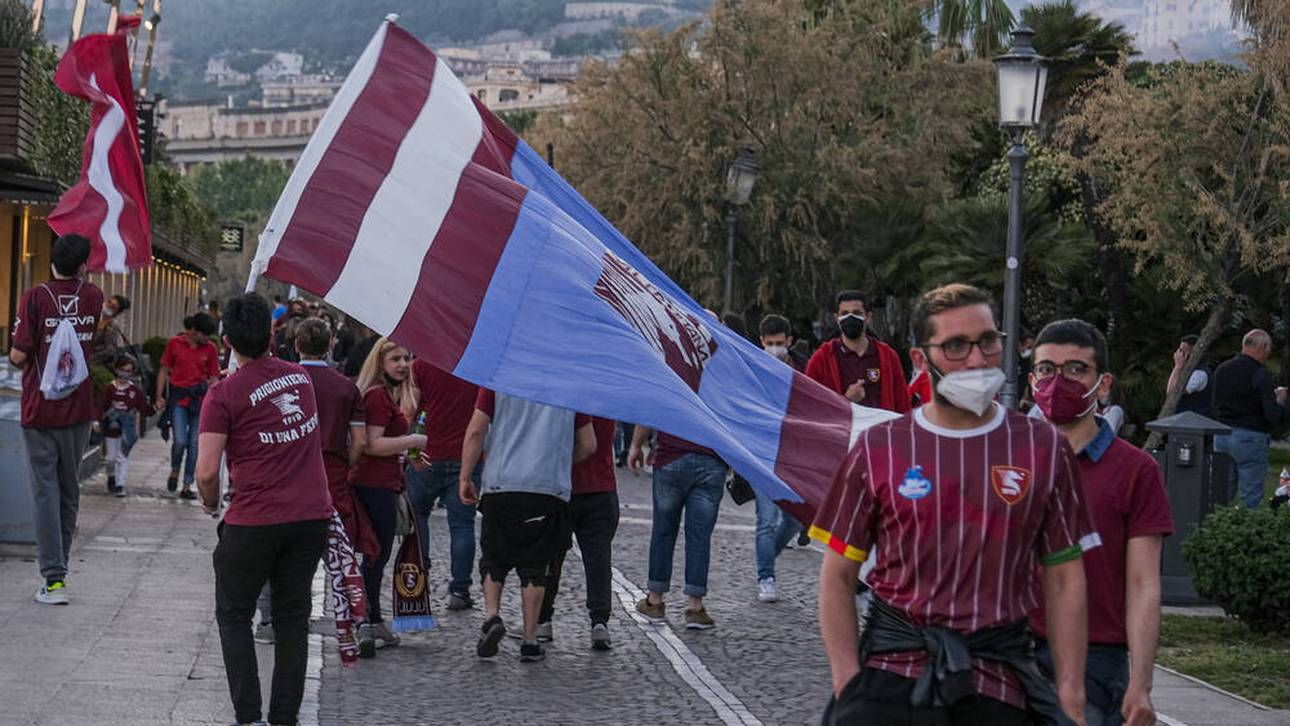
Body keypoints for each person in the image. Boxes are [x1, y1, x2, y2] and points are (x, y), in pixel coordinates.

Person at [812, 283, 1096, 726]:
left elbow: (1064, 578)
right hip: (891, 676)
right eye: (956, 346)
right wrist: (848, 682)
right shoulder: (879, 446)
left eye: (987, 341)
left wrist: (1071, 692)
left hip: (999, 682)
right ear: (921, 359)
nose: (977, 359)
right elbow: (837, 576)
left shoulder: (1043, 447)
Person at [194, 292, 333, 726]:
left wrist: (210, 503)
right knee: (293, 619)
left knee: (234, 614)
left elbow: (205, 473)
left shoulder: (223, 394)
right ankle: (284, 717)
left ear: (228, 339)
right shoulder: (300, 380)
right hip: (310, 516)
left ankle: (249, 715)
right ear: (272, 333)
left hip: (254, 518)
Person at [1027, 319, 1173, 726]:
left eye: (1076, 369)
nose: (1059, 381)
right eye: (1046, 369)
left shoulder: (1136, 470)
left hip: (1097, 662)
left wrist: (1141, 683)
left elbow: (1144, 583)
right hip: (1012, 653)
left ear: (1103, 384)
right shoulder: (1008, 461)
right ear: (1031, 379)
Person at [459, 389, 595, 662]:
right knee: (536, 564)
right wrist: (559, 460)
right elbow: (589, 444)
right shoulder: (569, 386)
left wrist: (465, 476)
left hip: (501, 483)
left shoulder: (497, 382)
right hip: (547, 487)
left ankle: (491, 616)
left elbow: (476, 431)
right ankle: (531, 640)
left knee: (494, 557)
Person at [9, 234, 104, 605]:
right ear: (82, 265)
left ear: (52, 260)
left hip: (39, 409)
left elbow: (18, 356)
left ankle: (54, 578)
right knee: (69, 489)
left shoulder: (35, 298)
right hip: (78, 408)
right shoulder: (93, 297)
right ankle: (60, 566)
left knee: (44, 491)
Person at [350, 338, 426, 655]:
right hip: (373, 485)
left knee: (376, 555)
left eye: (407, 358)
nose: (403, 365)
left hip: (384, 482)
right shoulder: (378, 397)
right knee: (374, 555)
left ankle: (372, 618)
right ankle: (366, 620)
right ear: (380, 362)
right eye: (395, 358)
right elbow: (372, 444)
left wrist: (410, 453)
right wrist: (414, 440)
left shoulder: (388, 395)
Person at [628, 425, 726, 630]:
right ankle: (695, 607)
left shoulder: (676, 388)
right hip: (711, 460)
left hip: (670, 458)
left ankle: (654, 601)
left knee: (663, 531)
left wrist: (636, 444)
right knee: (699, 537)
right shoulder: (724, 389)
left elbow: (652, 409)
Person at [537, 416, 619, 649]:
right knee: (599, 559)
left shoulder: (564, 397)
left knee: (551, 556)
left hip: (563, 486)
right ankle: (599, 622)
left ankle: (543, 619)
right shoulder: (606, 397)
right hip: (602, 487)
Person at [406, 358, 480, 611]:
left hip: (425, 453)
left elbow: (409, 411)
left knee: (418, 518)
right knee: (462, 525)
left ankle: (419, 578)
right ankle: (460, 589)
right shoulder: (476, 365)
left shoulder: (422, 365)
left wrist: (408, 449)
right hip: (466, 456)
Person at [753, 313, 808, 602]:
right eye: (769, 343)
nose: (775, 348)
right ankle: (766, 577)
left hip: (794, 454)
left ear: (789, 341)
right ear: (761, 341)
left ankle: (767, 556)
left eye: (779, 343)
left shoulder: (802, 368)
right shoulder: (752, 366)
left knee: (796, 518)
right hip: (761, 453)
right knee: (766, 519)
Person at [1211, 329, 1290, 509]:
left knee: (1223, 491)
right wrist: (1281, 400)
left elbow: (1213, 404)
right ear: (1262, 347)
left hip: (1222, 435)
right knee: (1250, 494)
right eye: (1268, 349)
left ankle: (1218, 528)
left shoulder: (1222, 369)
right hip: (1249, 436)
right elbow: (1273, 416)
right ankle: (1244, 530)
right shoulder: (1261, 375)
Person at [805, 290, 910, 412]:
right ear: (837, 318)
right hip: (842, 430)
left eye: (856, 313)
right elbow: (810, 407)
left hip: (879, 429)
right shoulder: (821, 358)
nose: (850, 317)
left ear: (868, 317)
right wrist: (846, 400)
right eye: (844, 313)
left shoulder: (887, 356)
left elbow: (902, 404)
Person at [155, 312, 220, 499]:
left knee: (194, 444)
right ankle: (175, 470)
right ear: (193, 330)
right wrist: (159, 396)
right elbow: (164, 370)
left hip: (200, 401)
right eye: (203, 335)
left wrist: (214, 400)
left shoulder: (210, 349)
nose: (206, 339)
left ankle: (187, 484)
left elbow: (214, 377)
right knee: (180, 440)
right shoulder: (175, 343)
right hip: (179, 399)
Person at [94, 354, 153, 497]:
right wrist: (96, 420)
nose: (125, 374)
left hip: (127, 429)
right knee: (110, 458)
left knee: (122, 457)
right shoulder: (110, 388)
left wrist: (155, 407)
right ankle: (111, 477)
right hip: (111, 428)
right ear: (117, 370)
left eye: (128, 371)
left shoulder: (134, 391)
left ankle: (120, 484)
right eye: (122, 370)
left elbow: (143, 408)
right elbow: (100, 405)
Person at [1167, 335, 1214, 417]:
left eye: (1183, 351)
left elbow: (1173, 392)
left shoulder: (1200, 373)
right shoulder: (1185, 371)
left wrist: (1177, 366)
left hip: (1194, 421)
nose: (1179, 354)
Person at [92, 294, 131, 366]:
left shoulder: (112, 326)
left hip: (93, 360)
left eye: (113, 307)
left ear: (116, 313)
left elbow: (109, 350)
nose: (108, 306)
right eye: (109, 302)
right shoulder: (93, 315)